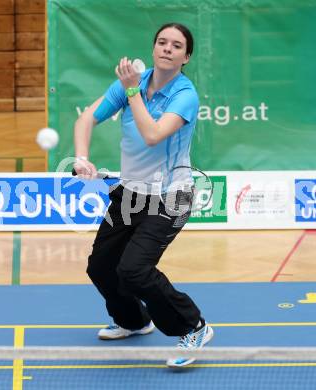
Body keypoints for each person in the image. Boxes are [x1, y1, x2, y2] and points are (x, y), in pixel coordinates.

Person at [73, 22, 213, 368]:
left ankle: (194, 325)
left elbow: (153, 135)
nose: (167, 48)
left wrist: (132, 91)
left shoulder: (184, 95)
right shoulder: (134, 83)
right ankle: (134, 321)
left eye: (176, 45)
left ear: (186, 56)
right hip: (131, 193)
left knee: (134, 270)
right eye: (162, 42)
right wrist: (81, 157)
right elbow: (86, 120)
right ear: (153, 49)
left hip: (171, 196)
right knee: (102, 267)